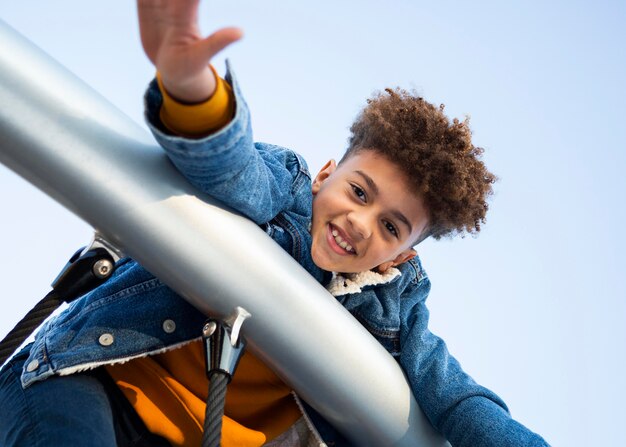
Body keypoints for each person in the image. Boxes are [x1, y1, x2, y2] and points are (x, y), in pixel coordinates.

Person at [0, 1, 549, 446]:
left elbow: (456, 398)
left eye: (391, 227)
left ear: (403, 256)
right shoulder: (284, 191)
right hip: (90, 381)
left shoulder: (395, 310)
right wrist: (193, 90)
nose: (360, 223)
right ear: (326, 176)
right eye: (358, 192)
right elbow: (234, 170)